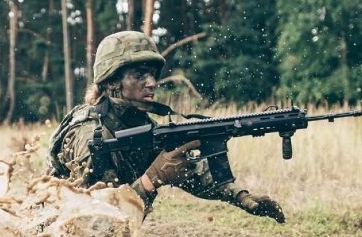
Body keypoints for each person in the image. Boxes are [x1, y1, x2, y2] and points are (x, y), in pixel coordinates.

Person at [46, 30, 285, 223]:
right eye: (139, 75)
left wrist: (241, 197)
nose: (151, 83)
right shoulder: (88, 135)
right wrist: (152, 179)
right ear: (111, 82)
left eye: (151, 75)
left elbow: (190, 172)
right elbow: (99, 220)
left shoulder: (141, 125)